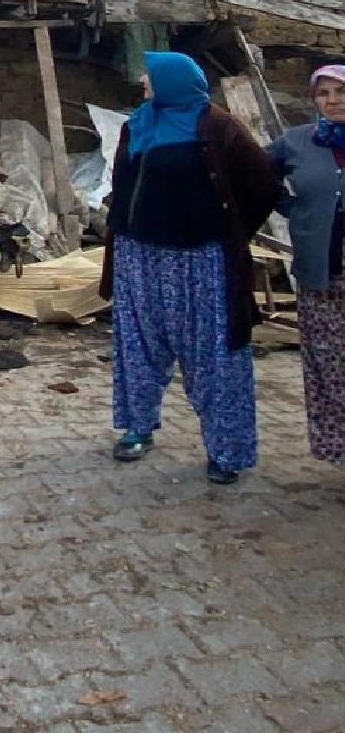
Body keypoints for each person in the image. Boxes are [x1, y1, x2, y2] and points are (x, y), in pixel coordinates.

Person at [99, 51, 282, 484]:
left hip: (200, 260)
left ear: (174, 80)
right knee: (139, 347)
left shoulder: (218, 127)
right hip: (138, 255)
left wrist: (230, 230)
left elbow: (262, 184)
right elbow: (124, 185)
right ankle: (138, 428)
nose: (143, 79)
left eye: (151, 73)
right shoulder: (137, 125)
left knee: (214, 355)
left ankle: (226, 450)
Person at [268, 64, 345, 468]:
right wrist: (294, 210)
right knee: (330, 368)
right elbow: (258, 176)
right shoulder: (297, 142)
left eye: (340, 92)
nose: (331, 101)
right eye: (323, 93)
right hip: (322, 273)